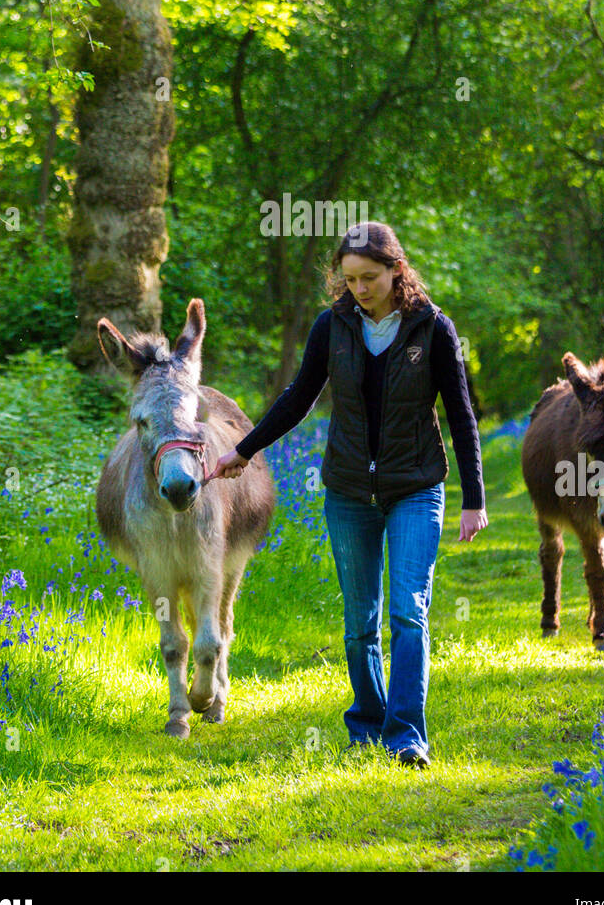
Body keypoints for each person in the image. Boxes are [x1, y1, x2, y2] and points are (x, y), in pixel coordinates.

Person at [209, 220, 487, 767]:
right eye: (349, 279)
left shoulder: (433, 328)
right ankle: (367, 722)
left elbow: (460, 414)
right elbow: (298, 397)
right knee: (361, 624)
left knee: (408, 611)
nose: (359, 289)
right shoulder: (330, 327)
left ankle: (407, 733)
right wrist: (243, 449)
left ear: (396, 271)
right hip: (349, 492)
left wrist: (473, 497)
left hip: (416, 487)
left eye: (369, 278)